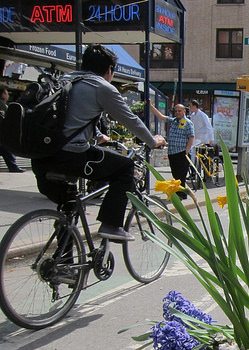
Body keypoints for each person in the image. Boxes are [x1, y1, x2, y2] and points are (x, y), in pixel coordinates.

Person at [31, 44, 165, 242]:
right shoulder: (101, 87)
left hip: (41, 157)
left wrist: (98, 136)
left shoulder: (64, 80)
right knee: (125, 167)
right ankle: (111, 224)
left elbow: (68, 118)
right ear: (109, 70)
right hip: (71, 156)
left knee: (69, 209)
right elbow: (130, 120)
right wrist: (152, 141)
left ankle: (63, 267)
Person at [149, 102, 194, 198]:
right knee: (175, 175)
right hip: (172, 153)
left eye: (179, 111)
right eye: (176, 111)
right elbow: (161, 116)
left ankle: (180, 196)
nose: (177, 113)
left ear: (184, 111)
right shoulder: (173, 121)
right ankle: (178, 194)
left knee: (180, 177)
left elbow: (191, 137)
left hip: (182, 153)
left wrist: (186, 151)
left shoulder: (188, 123)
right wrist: (151, 106)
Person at [0, 86, 25, 173]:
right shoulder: (2, 104)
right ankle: (13, 167)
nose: (8, 96)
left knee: (7, 151)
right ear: (3, 94)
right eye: (7, 93)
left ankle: (13, 167)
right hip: (2, 134)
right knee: (7, 150)